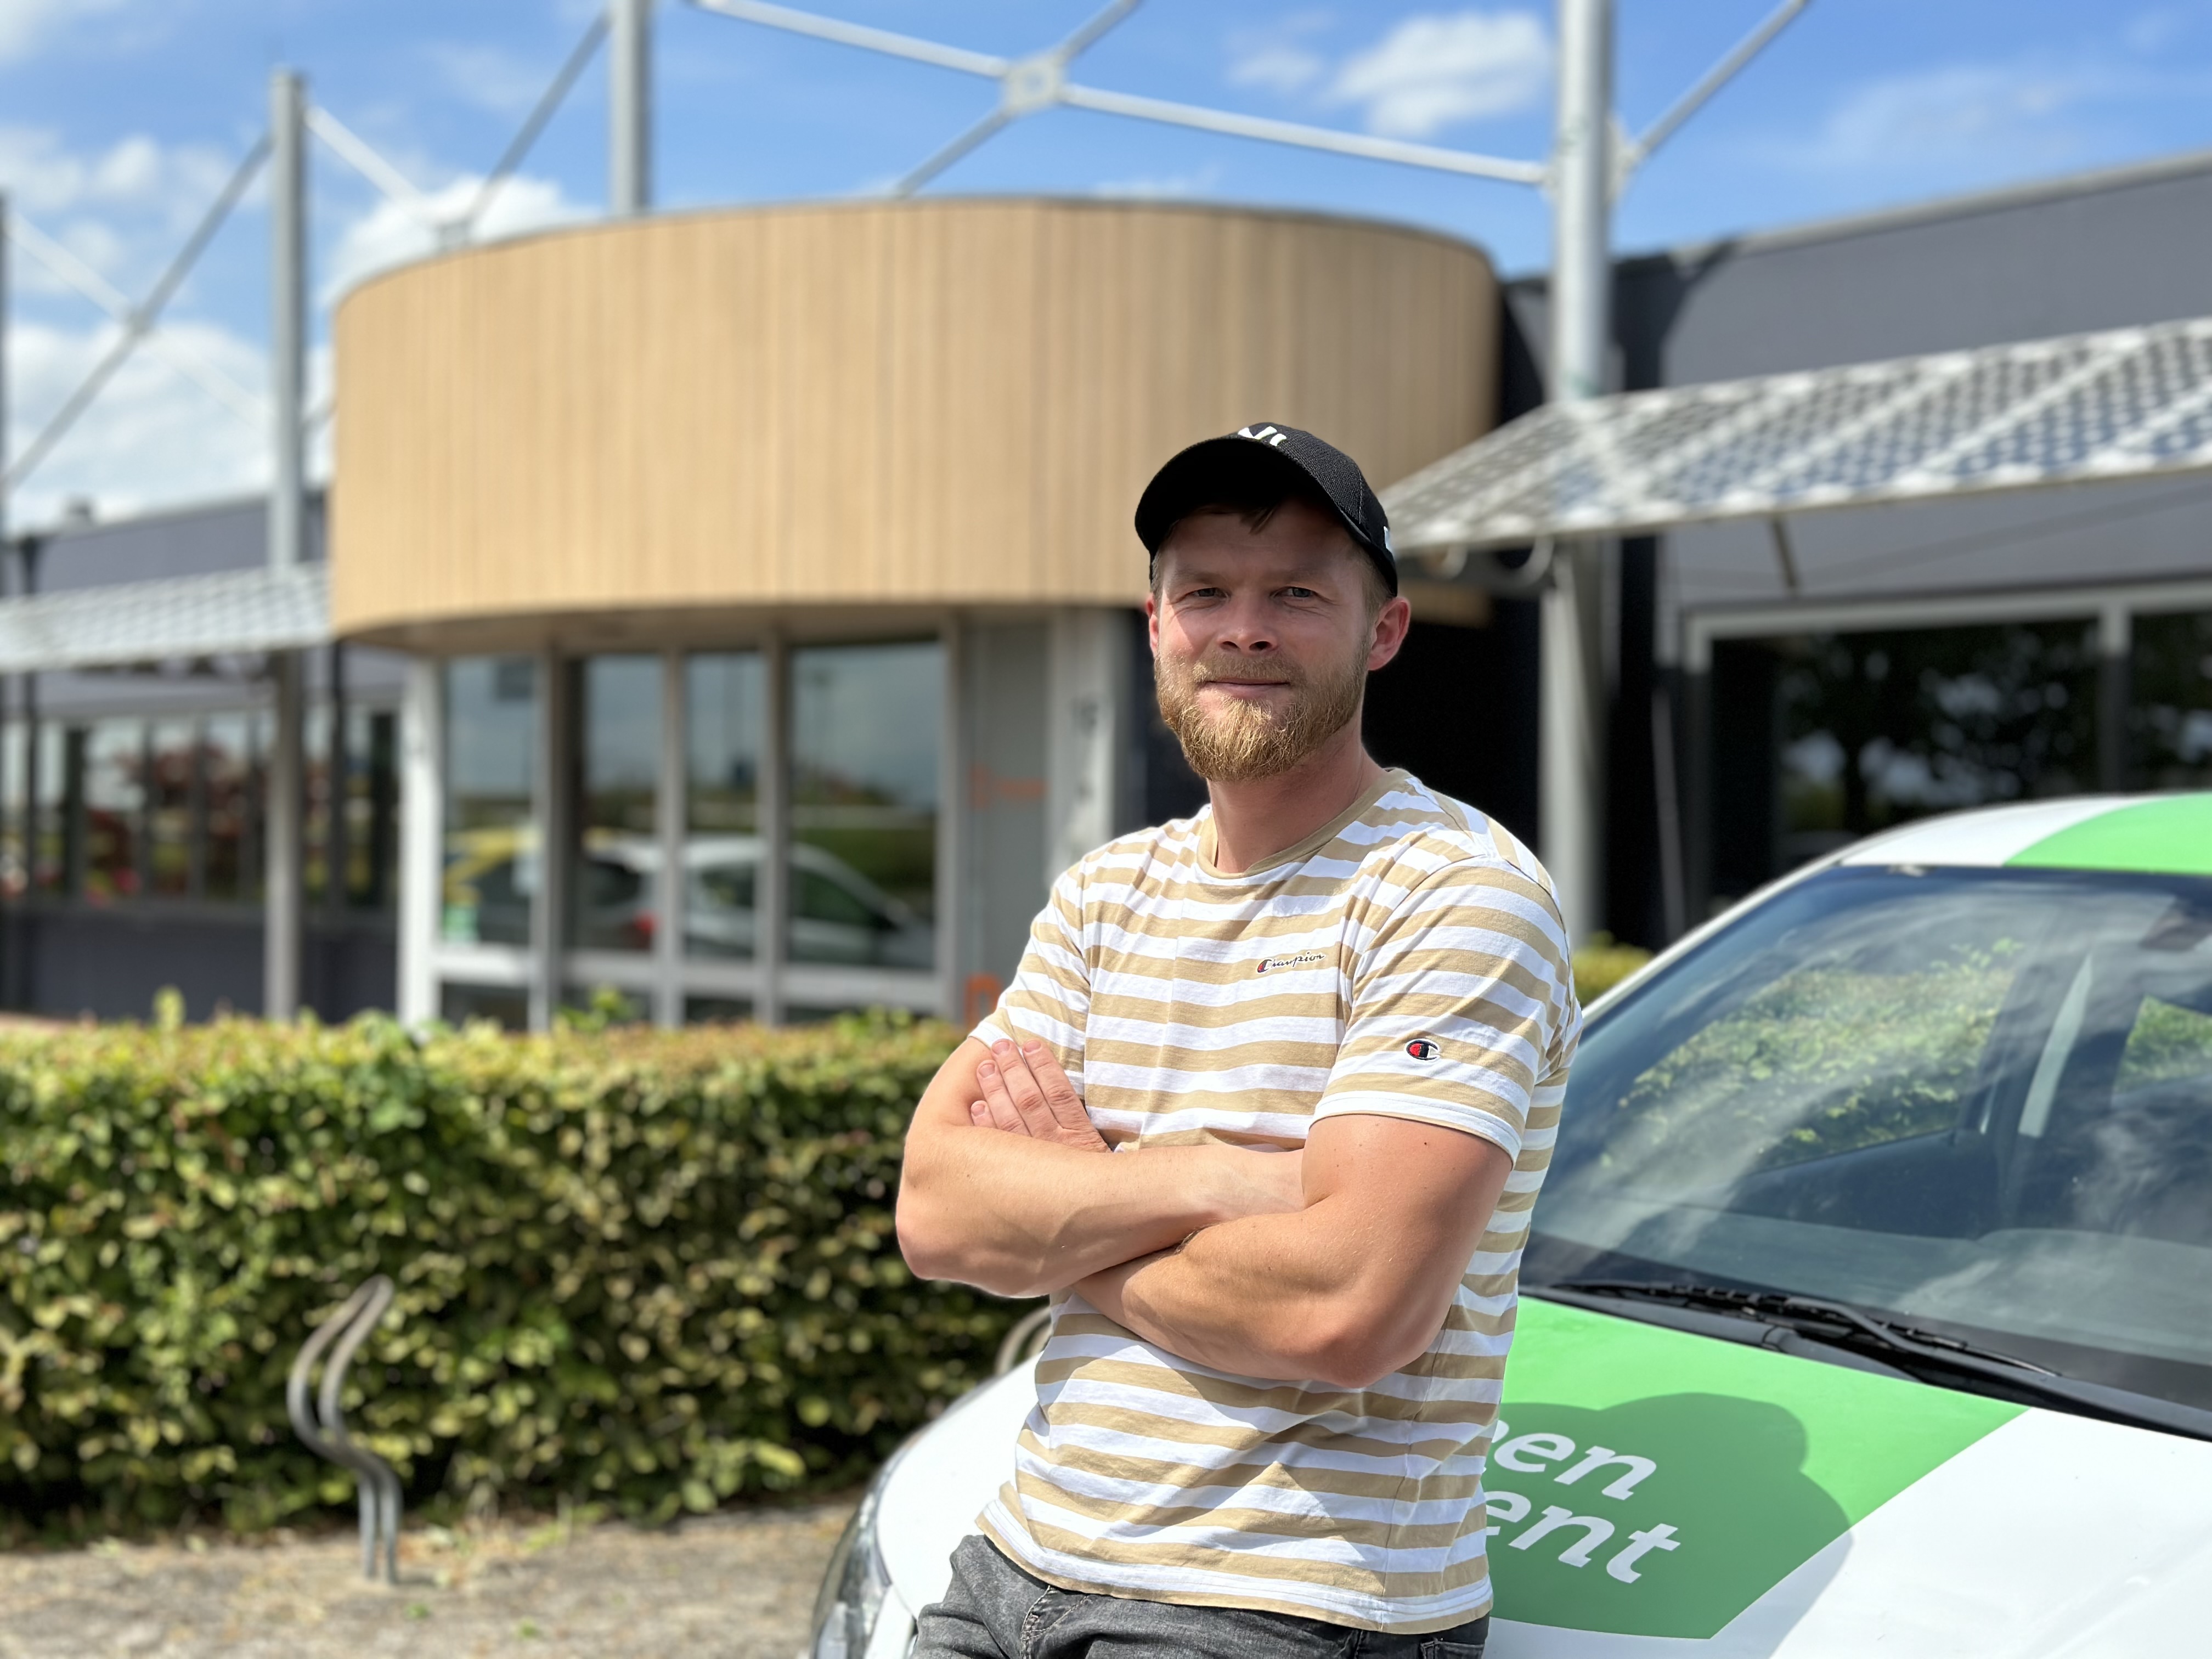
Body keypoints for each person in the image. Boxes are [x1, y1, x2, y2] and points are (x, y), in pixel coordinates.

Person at [896, 423, 1580, 1658]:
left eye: (1297, 595)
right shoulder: (1105, 895)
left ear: (1384, 632)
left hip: (1285, 1605)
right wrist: (1215, 1177)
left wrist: (1074, 1219)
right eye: (1205, 591)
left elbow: (1347, 1310)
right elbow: (939, 1212)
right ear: (1156, 625)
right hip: (1013, 1561)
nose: (1244, 629)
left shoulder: (1452, 892)